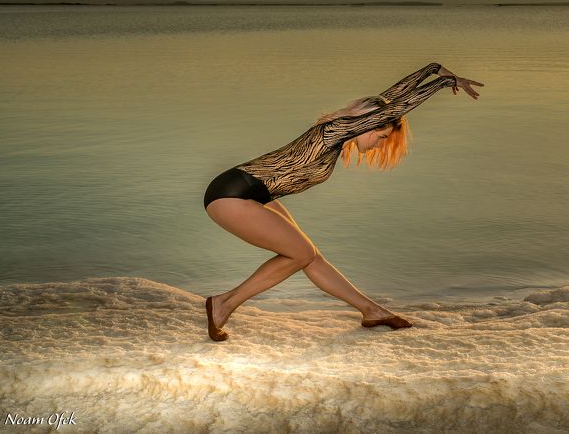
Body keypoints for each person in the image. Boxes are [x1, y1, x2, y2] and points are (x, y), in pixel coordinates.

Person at [202, 62, 483, 342]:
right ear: (368, 125)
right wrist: (445, 82)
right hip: (233, 193)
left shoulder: (339, 134)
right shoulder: (332, 131)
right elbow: (391, 110)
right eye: (381, 136)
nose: (379, 144)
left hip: (256, 193)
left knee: (310, 255)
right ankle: (224, 304)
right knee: (300, 253)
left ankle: (371, 311)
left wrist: (434, 69)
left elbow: (389, 102)